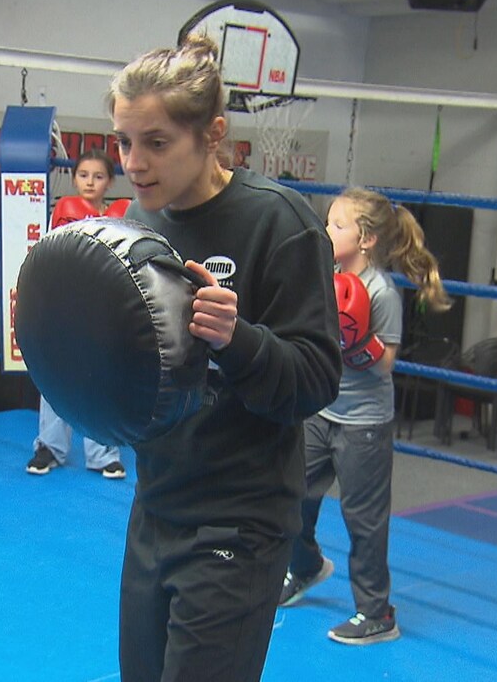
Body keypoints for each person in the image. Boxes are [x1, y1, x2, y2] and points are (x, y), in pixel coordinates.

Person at [108, 35, 342, 681]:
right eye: (124, 141)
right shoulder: (137, 222)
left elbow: (318, 378)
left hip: (240, 519)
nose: (135, 162)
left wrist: (238, 339)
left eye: (156, 142)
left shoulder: (280, 223)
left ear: (211, 134)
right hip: (155, 503)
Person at [277, 187, 451, 646]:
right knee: (291, 494)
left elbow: (386, 362)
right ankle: (306, 565)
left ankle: (376, 612)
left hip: (364, 423)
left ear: (367, 239)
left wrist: (357, 338)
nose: (327, 231)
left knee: (364, 519)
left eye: (337, 225)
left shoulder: (381, 291)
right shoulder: (326, 276)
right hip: (321, 410)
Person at [27, 149, 129, 480]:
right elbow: (49, 254)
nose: (90, 182)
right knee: (55, 374)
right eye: (84, 175)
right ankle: (50, 447)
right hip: (62, 302)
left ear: (110, 181)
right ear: (74, 178)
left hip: (101, 304)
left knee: (100, 376)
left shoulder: (122, 213)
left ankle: (103, 452)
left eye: (98, 176)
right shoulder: (66, 210)